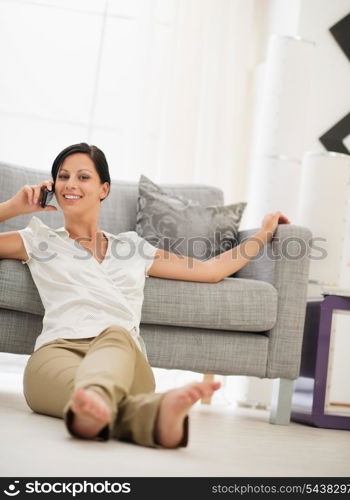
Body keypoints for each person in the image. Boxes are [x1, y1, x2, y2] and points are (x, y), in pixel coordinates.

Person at [0, 143, 290, 448]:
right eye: (63, 176)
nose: (70, 184)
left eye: (83, 177)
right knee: (83, 395)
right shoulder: (37, 239)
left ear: (104, 189)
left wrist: (263, 233)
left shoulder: (133, 247)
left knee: (114, 335)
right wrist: (12, 207)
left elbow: (210, 270)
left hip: (123, 355)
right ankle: (151, 417)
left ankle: (94, 405)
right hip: (56, 355)